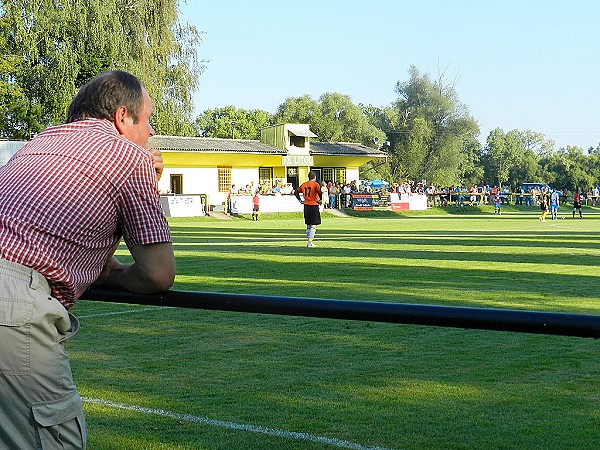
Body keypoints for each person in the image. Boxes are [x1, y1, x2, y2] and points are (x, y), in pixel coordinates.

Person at [0, 70, 175, 449]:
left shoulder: (39, 143)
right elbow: (159, 274)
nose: (149, 135)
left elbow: (82, 235)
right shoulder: (130, 157)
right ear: (122, 117)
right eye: (147, 122)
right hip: (12, 304)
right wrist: (117, 278)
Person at [295, 171, 322, 247]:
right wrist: (320, 200)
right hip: (313, 205)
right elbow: (319, 192)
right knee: (313, 225)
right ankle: (309, 242)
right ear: (315, 177)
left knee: (308, 225)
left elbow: (296, 192)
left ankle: (309, 241)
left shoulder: (304, 184)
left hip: (306, 206)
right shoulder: (316, 184)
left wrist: (300, 200)